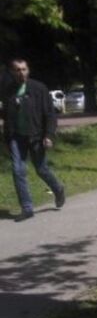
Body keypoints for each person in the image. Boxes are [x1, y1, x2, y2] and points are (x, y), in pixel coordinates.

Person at [1, 58, 65, 222]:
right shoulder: (8, 90)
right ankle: (27, 208)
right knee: (18, 170)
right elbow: (6, 115)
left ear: (28, 71)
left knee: (41, 169)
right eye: (17, 70)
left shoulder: (38, 88)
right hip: (16, 137)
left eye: (24, 69)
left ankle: (58, 189)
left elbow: (50, 114)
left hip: (36, 136)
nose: (21, 72)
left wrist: (49, 135)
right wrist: (7, 138)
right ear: (12, 72)